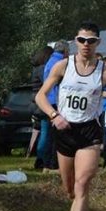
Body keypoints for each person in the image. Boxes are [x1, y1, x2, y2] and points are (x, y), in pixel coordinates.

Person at [36, 22, 106, 211]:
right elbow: (41, 96)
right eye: (81, 40)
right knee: (70, 189)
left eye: (90, 41)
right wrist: (54, 115)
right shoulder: (62, 66)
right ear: (75, 41)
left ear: (98, 43)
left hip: (90, 132)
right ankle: (75, 210)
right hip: (65, 131)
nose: (86, 45)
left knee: (82, 183)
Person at [39, 40, 69, 172]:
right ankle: (51, 164)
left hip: (47, 101)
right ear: (66, 51)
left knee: (48, 135)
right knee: (55, 136)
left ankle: (46, 162)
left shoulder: (49, 61)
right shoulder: (60, 63)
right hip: (55, 102)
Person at [29, 46, 54, 162]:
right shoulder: (43, 69)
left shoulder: (36, 69)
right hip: (43, 103)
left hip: (36, 104)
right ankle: (41, 159)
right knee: (46, 132)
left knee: (43, 131)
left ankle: (41, 157)